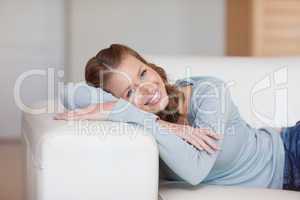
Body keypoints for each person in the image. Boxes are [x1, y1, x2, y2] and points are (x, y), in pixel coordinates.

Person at [54, 44, 300, 191]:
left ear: (151, 66)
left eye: (142, 73)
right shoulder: (142, 118)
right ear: (115, 99)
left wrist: (129, 110)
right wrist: (141, 116)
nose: (147, 89)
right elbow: (68, 93)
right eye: (129, 91)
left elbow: (195, 169)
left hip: (290, 151)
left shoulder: (208, 92)